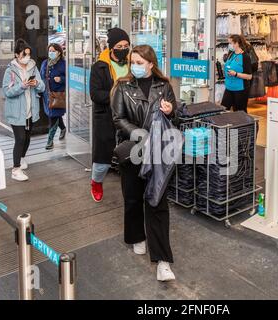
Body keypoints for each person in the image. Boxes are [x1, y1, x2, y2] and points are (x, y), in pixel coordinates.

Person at [111, 45, 177, 282]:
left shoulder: (164, 86)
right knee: (132, 197)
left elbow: (174, 115)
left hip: (158, 151)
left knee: (157, 202)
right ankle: (137, 235)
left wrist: (170, 111)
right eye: (133, 62)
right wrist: (139, 134)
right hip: (134, 150)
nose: (135, 66)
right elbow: (118, 119)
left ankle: (163, 261)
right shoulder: (122, 86)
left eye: (139, 62)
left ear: (151, 63)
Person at [89, 28, 131, 202]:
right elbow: (95, 94)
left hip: (128, 115)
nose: (124, 48)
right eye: (120, 45)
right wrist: (117, 96)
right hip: (105, 115)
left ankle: (130, 184)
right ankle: (96, 182)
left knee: (130, 151)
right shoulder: (99, 66)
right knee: (103, 156)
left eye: (126, 45)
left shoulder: (132, 64)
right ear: (112, 47)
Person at [2, 39, 45, 182]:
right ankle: (15, 169)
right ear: (16, 55)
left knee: (27, 137)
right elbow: (6, 92)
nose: (27, 57)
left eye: (28, 54)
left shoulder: (33, 67)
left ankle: (21, 158)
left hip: (30, 110)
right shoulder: (10, 70)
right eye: (24, 54)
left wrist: (36, 83)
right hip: (16, 112)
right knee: (20, 138)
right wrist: (22, 86)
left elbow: (42, 87)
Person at [40, 43, 66, 150]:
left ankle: (50, 141)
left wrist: (61, 79)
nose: (51, 53)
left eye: (53, 51)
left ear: (59, 52)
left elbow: (68, 78)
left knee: (53, 116)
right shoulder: (45, 63)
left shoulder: (63, 63)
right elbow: (41, 76)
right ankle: (63, 128)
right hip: (47, 95)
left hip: (58, 95)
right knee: (53, 114)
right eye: (50, 51)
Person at [221, 34, 253, 112]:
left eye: (230, 43)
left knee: (240, 112)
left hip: (240, 89)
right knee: (223, 109)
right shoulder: (231, 54)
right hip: (229, 87)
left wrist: (236, 74)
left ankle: (245, 124)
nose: (229, 45)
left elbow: (249, 76)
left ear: (237, 43)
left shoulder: (245, 57)